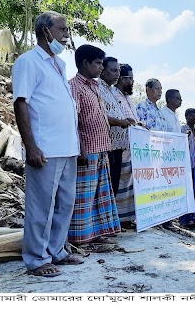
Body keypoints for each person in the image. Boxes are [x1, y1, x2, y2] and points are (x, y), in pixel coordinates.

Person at [12, 11, 83, 277]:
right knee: (41, 206)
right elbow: (21, 103)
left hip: (67, 148)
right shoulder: (28, 62)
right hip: (45, 148)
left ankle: (57, 251)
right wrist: (31, 146)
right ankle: (36, 259)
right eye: (63, 30)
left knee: (65, 204)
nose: (66, 35)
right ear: (45, 31)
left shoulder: (59, 65)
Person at [68, 44, 121, 245]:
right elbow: (73, 119)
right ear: (85, 63)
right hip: (86, 149)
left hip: (101, 148)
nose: (101, 67)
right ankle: (80, 238)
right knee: (84, 197)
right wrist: (80, 148)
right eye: (98, 63)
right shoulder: (74, 86)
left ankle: (96, 233)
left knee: (100, 196)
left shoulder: (95, 86)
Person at [98, 57, 135, 207]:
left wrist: (125, 120)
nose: (117, 74)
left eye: (118, 71)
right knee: (106, 186)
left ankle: (108, 224)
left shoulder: (108, 90)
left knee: (113, 185)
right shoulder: (99, 88)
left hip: (118, 147)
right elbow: (99, 115)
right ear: (103, 70)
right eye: (113, 71)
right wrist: (120, 122)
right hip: (107, 146)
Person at [111, 63, 139, 229]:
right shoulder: (113, 94)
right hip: (118, 148)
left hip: (131, 149)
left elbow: (132, 120)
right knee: (118, 184)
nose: (132, 82)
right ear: (122, 78)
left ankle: (127, 219)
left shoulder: (128, 98)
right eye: (130, 78)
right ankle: (118, 219)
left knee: (129, 187)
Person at [178, 108, 195, 227]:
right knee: (188, 194)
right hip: (187, 167)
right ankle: (186, 220)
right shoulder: (183, 130)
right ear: (186, 117)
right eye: (192, 116)